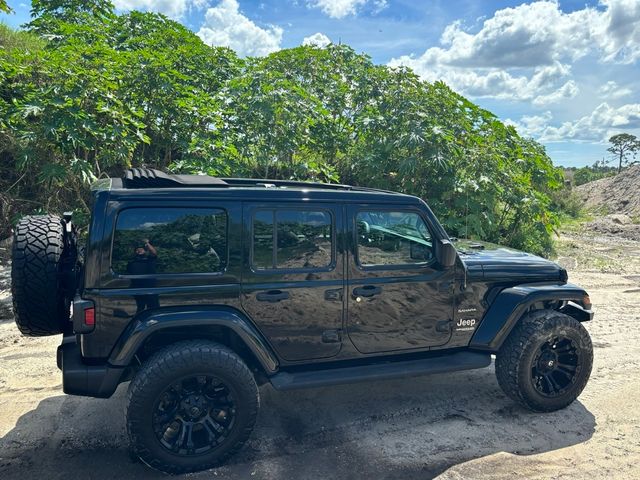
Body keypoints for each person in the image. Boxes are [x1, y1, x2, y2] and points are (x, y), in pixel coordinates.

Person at [127, 239, 159, 313]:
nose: (139, 250)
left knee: (153, 310)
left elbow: (154, 253)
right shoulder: (131, 262)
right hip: (137, 290)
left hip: (150, 289)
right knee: (140, 309)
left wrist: (147, 243)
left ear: (145, 251)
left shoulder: (149, 259)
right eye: (137, 250)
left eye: (141, 249)